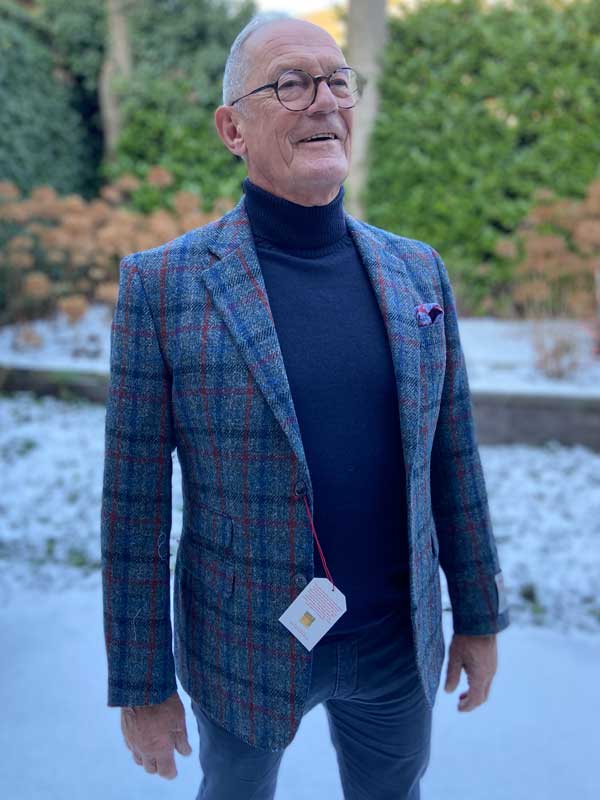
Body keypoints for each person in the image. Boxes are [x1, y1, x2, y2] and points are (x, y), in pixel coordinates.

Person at [100, 11, 510, 800]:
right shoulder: (162, 287)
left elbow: (453, 458)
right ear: (233, 129)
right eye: (290, 83)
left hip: (397, 645)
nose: (324, 100)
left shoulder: (418, 272)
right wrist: (141, 685)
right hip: (243, 651)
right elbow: (133, 509)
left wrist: (479, 615)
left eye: (337, 80)